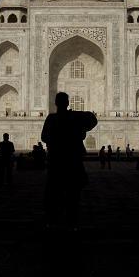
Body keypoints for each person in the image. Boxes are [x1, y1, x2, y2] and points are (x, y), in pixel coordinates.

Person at [41, 92, 97, 230]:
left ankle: (53, 222)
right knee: (73, 194)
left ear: (55, 103)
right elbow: (93, 119)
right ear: (67, 103)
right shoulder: (74, 117)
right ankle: (72, 223)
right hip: (72, 160)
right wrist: (78, 123)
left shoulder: (52, 118)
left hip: (56, 161)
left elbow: (44, 137)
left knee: (54, 193)